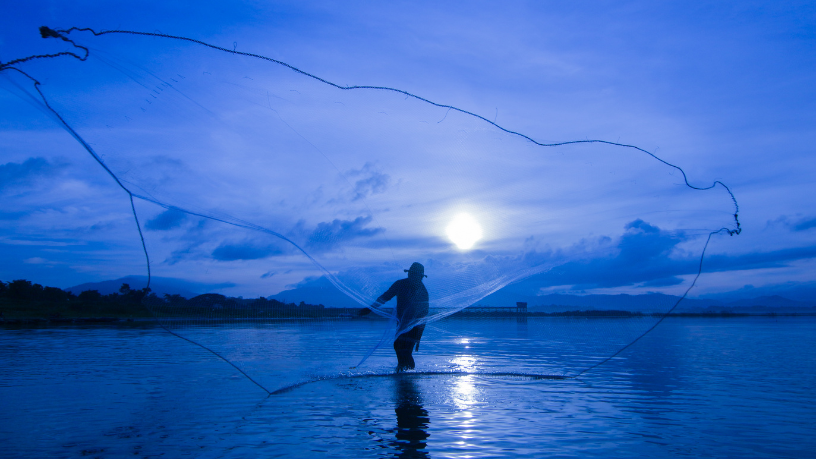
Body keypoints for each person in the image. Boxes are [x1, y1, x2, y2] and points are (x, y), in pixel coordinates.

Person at [361, 262, 429, 372]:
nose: (413, 276)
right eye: (411, 274)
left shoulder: (422, 291)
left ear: (420, 276)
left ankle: (408, 375)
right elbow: (385, 297)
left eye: (416, 275)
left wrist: (418, 337)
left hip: (414, 326)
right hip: (401, 324)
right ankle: (404, 374)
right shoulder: (400, 284)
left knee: (404, 350)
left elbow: (423, 315)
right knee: (398, 346)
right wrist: (371, 308)